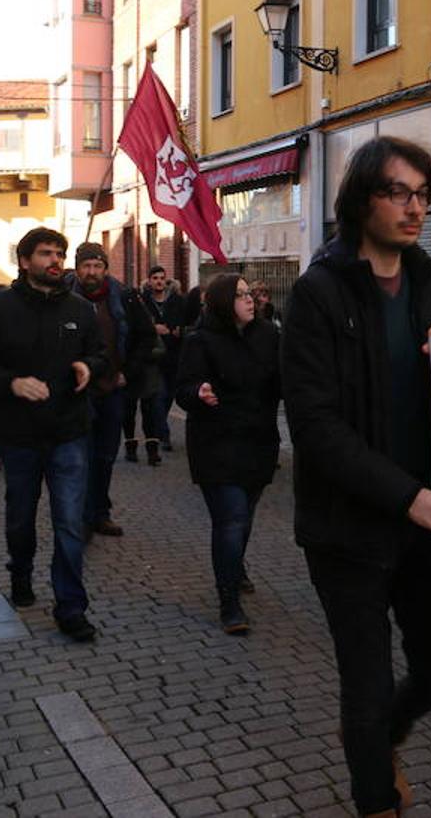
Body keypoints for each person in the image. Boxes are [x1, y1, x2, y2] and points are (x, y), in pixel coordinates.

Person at [283, 136, 431, 818]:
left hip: (427, 521)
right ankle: (375, 799)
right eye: (399, 192)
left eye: (423, 195)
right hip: (349, 529)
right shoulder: (319, 292)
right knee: (362, 683)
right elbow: (315, 427)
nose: (414, 207)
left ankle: (382, 736)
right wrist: (407, 498)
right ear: (362, 200)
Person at [0, 227, 107, 642]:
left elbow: (99, 353)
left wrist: (89, 367)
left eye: (59, 253)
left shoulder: (80, 308)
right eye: (46, 253)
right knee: (21, 518)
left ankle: (71, 607)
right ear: (25, 261)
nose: (55, 260)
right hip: (20, 436)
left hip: (69, 432)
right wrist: (11, 383)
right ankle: (20, 572)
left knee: (70, 522)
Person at [175, 273, 280, 634]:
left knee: (245, 516)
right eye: (240, 295)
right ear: (222, 302)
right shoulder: (199, 341)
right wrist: (198, 392)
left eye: (250, 293)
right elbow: (183, 389)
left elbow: (284, 380)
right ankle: (229, 601)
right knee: (231, 518)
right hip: (216, 443)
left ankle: (236, 568)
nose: (250, 300)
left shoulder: (268, 335)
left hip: (258, 442)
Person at [73, 242, 155, 537]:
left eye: (97, 266)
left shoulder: (125, 298)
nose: (92, 272)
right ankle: (80, 517)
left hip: (112, 390)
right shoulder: (64, 299)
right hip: (77, 393)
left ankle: (100, 512)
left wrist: (127, 372)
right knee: (80, 457)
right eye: (86, 266)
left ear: (106, 269)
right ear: (77, 268)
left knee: (105, 456)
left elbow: (146, 338)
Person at [125, 264, 184, 463]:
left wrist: (179, 331)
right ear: (149, 281)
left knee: (166, 397)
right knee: (151, 401)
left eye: (162, 278)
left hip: (170, 356)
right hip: (147, 358)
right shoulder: (141, 301)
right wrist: (153, 328)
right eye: (155, 278)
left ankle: (158, 433)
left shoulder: (176, 301)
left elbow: (186, 322)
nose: (159, 281)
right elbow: (133, 324)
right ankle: (156, 440)